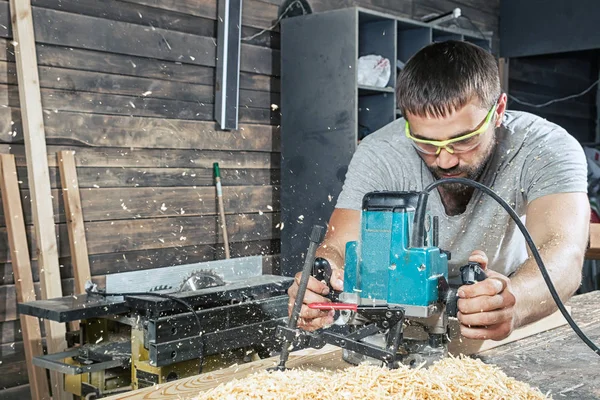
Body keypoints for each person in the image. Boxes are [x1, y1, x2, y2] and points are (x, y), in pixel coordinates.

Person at [287, 40, 590, 341]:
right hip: (404, 312)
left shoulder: (544, 146)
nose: (445, 160)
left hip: (503, 302)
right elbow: (338, 246)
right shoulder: (380, 152)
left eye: (463, 140)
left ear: (498, 110)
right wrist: (321, 278)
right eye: (426, 143)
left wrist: (515, 300)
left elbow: (562, 250)